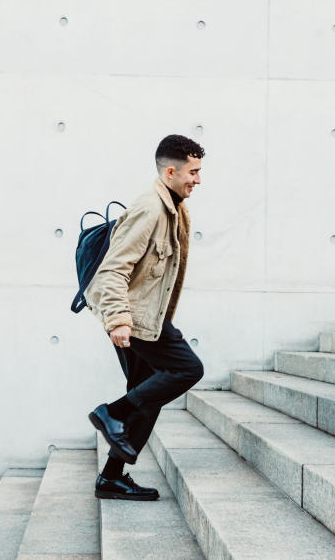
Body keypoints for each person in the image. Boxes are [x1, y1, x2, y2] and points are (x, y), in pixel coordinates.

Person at [84, 135, 205, 501]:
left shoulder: (173, 207)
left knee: (147, 392)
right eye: (193, 172)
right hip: (134, 319)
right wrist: (119, 319)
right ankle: (111, 413)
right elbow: (112, 270)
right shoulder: (150, 209)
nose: (197, 180)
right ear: (170, 171)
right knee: (187, 369)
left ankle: (111, 477)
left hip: (145, 317)